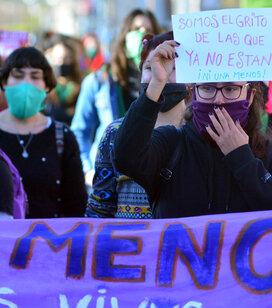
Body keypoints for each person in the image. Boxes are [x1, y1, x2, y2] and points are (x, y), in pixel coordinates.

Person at [113, 39, 272, 218]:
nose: (218, 100)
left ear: (250, 96)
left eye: (230, 89)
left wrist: (242, 159)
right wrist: (156, 84)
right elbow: (124, 157)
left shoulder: (271, 154)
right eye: (207, 88)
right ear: (193, 92)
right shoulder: (171, 143)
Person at [86, 32, 188, 219]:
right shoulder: (115, 133)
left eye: (172, 68)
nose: (161, 75)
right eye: (150, 68)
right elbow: (99, 210)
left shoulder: (199, 132)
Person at [71, 9, 161, 187]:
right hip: (107, 176)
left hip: (151, 173)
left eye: (149, 29)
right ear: (124, 37)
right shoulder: (99, 81)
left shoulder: (166, 80)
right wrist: (88, 170)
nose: (143, 34)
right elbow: (80, 131)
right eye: (136, 29)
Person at [0, 47, 87, 218]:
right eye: (18, 76)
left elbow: (76, 204)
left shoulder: (62, 136)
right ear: (4, 82)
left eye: (35, 76)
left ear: (47, 86)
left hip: (51, 242)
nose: (26, 83)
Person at [39, 33, 84, 125]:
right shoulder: (44, 86)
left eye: (66, 58)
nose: (62, 62)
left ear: (73, 60)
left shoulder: (81, 85)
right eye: (59, 58)